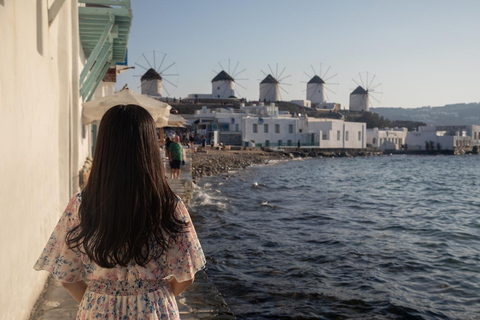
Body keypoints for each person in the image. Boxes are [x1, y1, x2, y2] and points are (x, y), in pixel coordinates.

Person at [34, 105, 205, 319]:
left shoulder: (81, 205)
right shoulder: (169, 205)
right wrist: (157, 295)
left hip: (97, 308)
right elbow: (186, 276)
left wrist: (99, 301)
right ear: (150, 147)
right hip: (154, 308)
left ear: (104, 147)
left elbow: (66, 277)